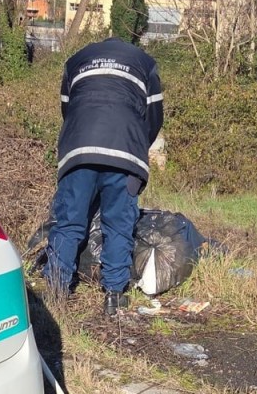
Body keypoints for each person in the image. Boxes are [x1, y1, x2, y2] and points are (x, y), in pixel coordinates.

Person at [43, 36, 164, 316]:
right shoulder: (145, 64)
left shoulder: (76, 61)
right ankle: (113, 296)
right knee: (117, 224)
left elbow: (68, 108)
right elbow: (154, 116)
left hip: (78, 151)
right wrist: (136, 146)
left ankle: (56, 293)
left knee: (69, 221)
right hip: (125, 154)